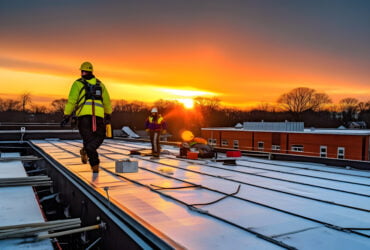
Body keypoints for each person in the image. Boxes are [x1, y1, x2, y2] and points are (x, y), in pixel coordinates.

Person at [61, 61, 112, 173]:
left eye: (83, 71)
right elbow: (107, 102)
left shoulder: (78, 83)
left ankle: (86, 151)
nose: (83, 73)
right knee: (91, 139)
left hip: (87, 117)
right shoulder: (100, 84)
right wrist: (108, 113)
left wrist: (67, 114)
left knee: (94, 139)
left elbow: (72, 101)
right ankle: (95, 166)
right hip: (90, 116)